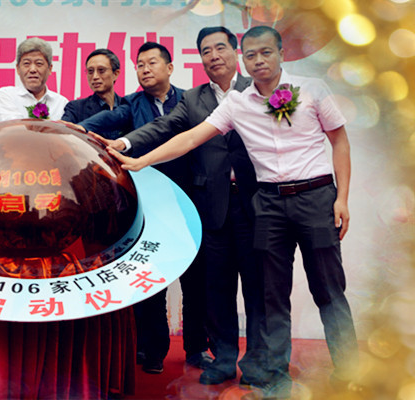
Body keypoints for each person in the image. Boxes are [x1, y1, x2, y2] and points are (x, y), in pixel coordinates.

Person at [109, 26, 358, 399]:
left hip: (311, 198)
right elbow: (188, 137)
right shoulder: (237, 103)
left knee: (329, 291)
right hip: (266, 205)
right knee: (272, 297)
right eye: (251, 55)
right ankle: (272, 374)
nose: (258, 61)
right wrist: (139, 160)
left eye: (265, 53)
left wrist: (342, 198)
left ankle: (351, 371)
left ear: (280, 54)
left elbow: (339, 139)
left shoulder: (311, 89)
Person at [104, 27, 266, 387]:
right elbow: (164, 127)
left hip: (257, 204)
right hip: (214, 207)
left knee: (257, 289)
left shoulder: (258, 89)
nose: (214, 56)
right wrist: (125, 144)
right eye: (206, 51)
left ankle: (258, 362)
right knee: (217, 288)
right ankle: (223, 359)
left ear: (235, 52)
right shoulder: (193, 99)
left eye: (220, 48)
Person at [80, 42, 209, 376]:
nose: (145, 69)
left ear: (170, 67)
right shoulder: (131, 104)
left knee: (197, 280)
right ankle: (153, 350)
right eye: (140, 64)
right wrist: (80, 127)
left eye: (152, 62)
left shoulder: (191, 100)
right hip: (152, 204)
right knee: (152, 280)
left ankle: (197, 348)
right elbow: (107, 118)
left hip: (192, 200)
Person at [0, 37, 68, 121]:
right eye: (26, 63)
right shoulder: (6, 95)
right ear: (18, 69)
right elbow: (13, 126)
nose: (32, 70)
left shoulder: (61, 103)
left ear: (50, 69)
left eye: (39, 63)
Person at [61, 48, 123, 123]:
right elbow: (63, 129)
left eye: (101, 70)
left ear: (115, 74)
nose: (95, 77)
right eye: (90, 71)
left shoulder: (128, 107)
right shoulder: (76, 108)